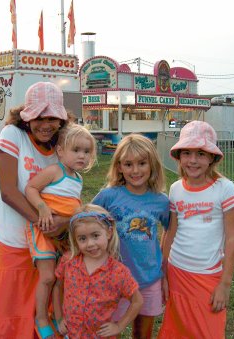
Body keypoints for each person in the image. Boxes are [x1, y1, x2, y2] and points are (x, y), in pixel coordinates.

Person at [0, 82, 74, 338]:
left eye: (52, 118)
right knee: (5, 312)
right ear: (26, 116)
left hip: (47, 248)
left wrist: (64, 224)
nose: (45, 124)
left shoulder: (61, 147)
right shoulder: (12, 134)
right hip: (14, 240)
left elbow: (68, 189)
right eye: (39, 117)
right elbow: (8, 191)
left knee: (41, 311)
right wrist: (47, 225)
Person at [158, 120, 234, 338]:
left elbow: (232, 238)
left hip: (208, 276)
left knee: (208, 332)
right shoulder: (175, 189)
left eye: (201, 154)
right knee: (178, 331)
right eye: (187, 153)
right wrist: (163, 273)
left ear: (212, 158)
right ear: (179, 156)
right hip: (177, 274)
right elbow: (169, 232)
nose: (193, 161)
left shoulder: (225, 188)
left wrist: (225, 284)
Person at [92, 134, 169, 338]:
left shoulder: (161, 201)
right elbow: (87, 221)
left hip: (148, 279)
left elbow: (171, 230)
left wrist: (164, 263)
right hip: (113, 281)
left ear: (152, 164)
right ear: (119, 167)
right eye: (128, 164)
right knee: (109, 332)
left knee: (142, 335)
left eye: (142, 163)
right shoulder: (108, 196)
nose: (135, 171)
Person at [24, 123, 97, 338]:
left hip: (65, 235)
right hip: (44, 230)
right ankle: (41, 318)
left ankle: (58, 315)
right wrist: (42, 207)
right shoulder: (55, 171)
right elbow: (30, 188)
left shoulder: (78, 179)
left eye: (86, 151)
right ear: (60, 151)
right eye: (76, 150)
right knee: (47, 277)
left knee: (61, 278)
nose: (82, 156)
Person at [53, 204, 143, 338]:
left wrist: (119, 325)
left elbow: (137, 301)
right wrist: (59, 318)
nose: (90, 244)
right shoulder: (68, 261)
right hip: (71, 333)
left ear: (108, 232)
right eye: (82, 238)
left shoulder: (119, 272)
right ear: (75, 239)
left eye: (95, 236)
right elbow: (58, 287)